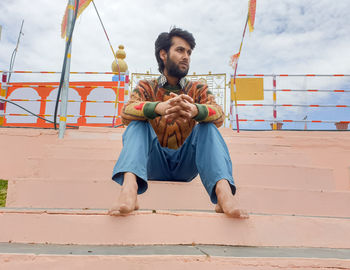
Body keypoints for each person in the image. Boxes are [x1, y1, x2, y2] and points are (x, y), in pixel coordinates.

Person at [108, 27, 248, 218]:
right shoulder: (146, 86)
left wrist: (195, 110)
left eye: (189, 52)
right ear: (163, 54)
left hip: (186, 163)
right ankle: (130, 189)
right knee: (137, 122)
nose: (186, 57)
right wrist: (158, 108)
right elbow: (126, 111)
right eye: (180, 50)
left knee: (207, 126)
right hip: (153, 163)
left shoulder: (198, 88)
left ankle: (224, 194)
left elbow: (219, 115)